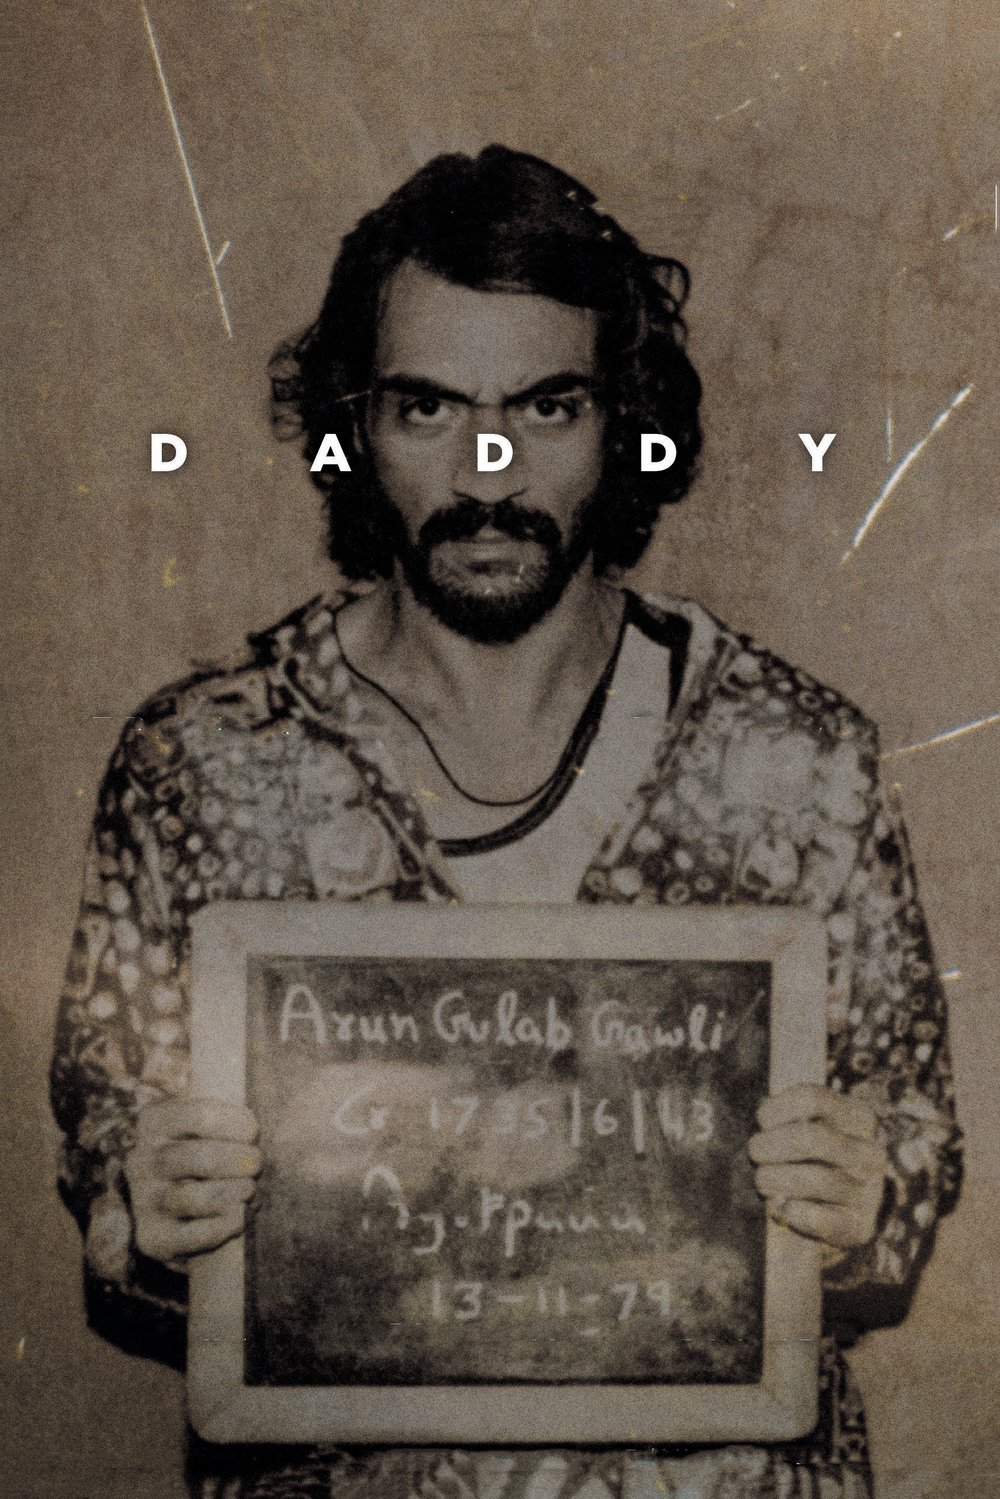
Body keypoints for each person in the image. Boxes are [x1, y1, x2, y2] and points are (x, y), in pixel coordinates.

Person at [51, 145, 962, 1499]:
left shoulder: (795, 760)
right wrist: (153, 1208)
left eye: (546, 406)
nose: (488, 472)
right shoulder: (202, 768)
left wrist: (862, 1194)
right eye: (427, 407)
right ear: (356, 426)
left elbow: (911, 1136)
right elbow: (115, 1154)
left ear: (624, 421)